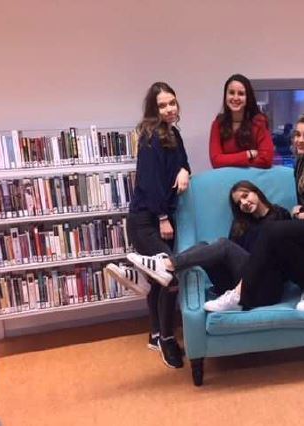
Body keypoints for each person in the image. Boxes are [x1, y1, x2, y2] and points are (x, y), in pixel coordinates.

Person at [204, 112, 304, 312]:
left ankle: (238, 293)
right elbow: (302, 205)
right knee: (281, 239)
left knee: (272, 229)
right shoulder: (301, 163)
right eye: (297, 135)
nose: (300, 140)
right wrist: (299, 213)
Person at [116, 81, 190, 369]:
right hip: (147, 219)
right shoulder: (149, 137)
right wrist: (162, 218)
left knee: (159, 279)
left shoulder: (174, 133)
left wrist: (184, 170)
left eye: (172, 102)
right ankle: (167, 339)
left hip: (163, 216)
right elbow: (148, 182)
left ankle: (156, 333)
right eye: (162, 105)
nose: (169, 109)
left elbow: (183, 162)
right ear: (153, 110)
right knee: (169, 275)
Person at [117, 181, 290, 298]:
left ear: (256, 192)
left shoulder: (280, 215)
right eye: (239, 203)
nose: (243, 203)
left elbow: (288, 254)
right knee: (204, 246)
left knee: (224, 245)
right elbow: (233, 260)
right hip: (237, 284)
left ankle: (165, 266)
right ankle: (163, 273)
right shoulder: (241, 224)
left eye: (245, 196)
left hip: (267, 285)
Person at [209, 74, 274, 168]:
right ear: (225, 96)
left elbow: (266, 159)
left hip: (253, 178)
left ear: (248, 97)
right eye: (231, 93)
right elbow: (216, 161)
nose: (235, 98)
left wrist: (227, 160)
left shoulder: (259, 122)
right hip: (227, 177)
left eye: (241, 94)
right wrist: (248, 154)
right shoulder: (218, 124)